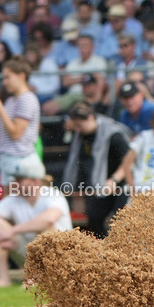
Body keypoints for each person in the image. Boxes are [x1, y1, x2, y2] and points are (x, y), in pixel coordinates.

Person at [0, 154, 71, 287]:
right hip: (28, 252)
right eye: (15, 179)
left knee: (47, 232)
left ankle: (37, 277)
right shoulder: (14, 198)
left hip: (60, 257)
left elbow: (49, 219)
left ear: (35, 181)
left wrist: (13, 231)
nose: (14, 183)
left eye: (20, 179)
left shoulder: (52, 195)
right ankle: (4, 279)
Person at [62, 101, 131, 237]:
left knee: (120, 220)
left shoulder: (113, 134)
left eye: (79, 125)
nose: (77, 129)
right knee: (94, 218)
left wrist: (114, 180)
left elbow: (129, 160)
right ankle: (102, 253)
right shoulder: (81, 136)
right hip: (98, 183)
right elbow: (78, 163)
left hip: (121, 184)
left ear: (90, 118)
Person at [0, 58, 41, 184]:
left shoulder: (27, 99)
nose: (5, 82)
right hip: (7, 160)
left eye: (8, 77)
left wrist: (0, 109)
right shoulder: (10, 101)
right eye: (3, 78)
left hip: (20, 161)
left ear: (21, 76)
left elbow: (16, 133)